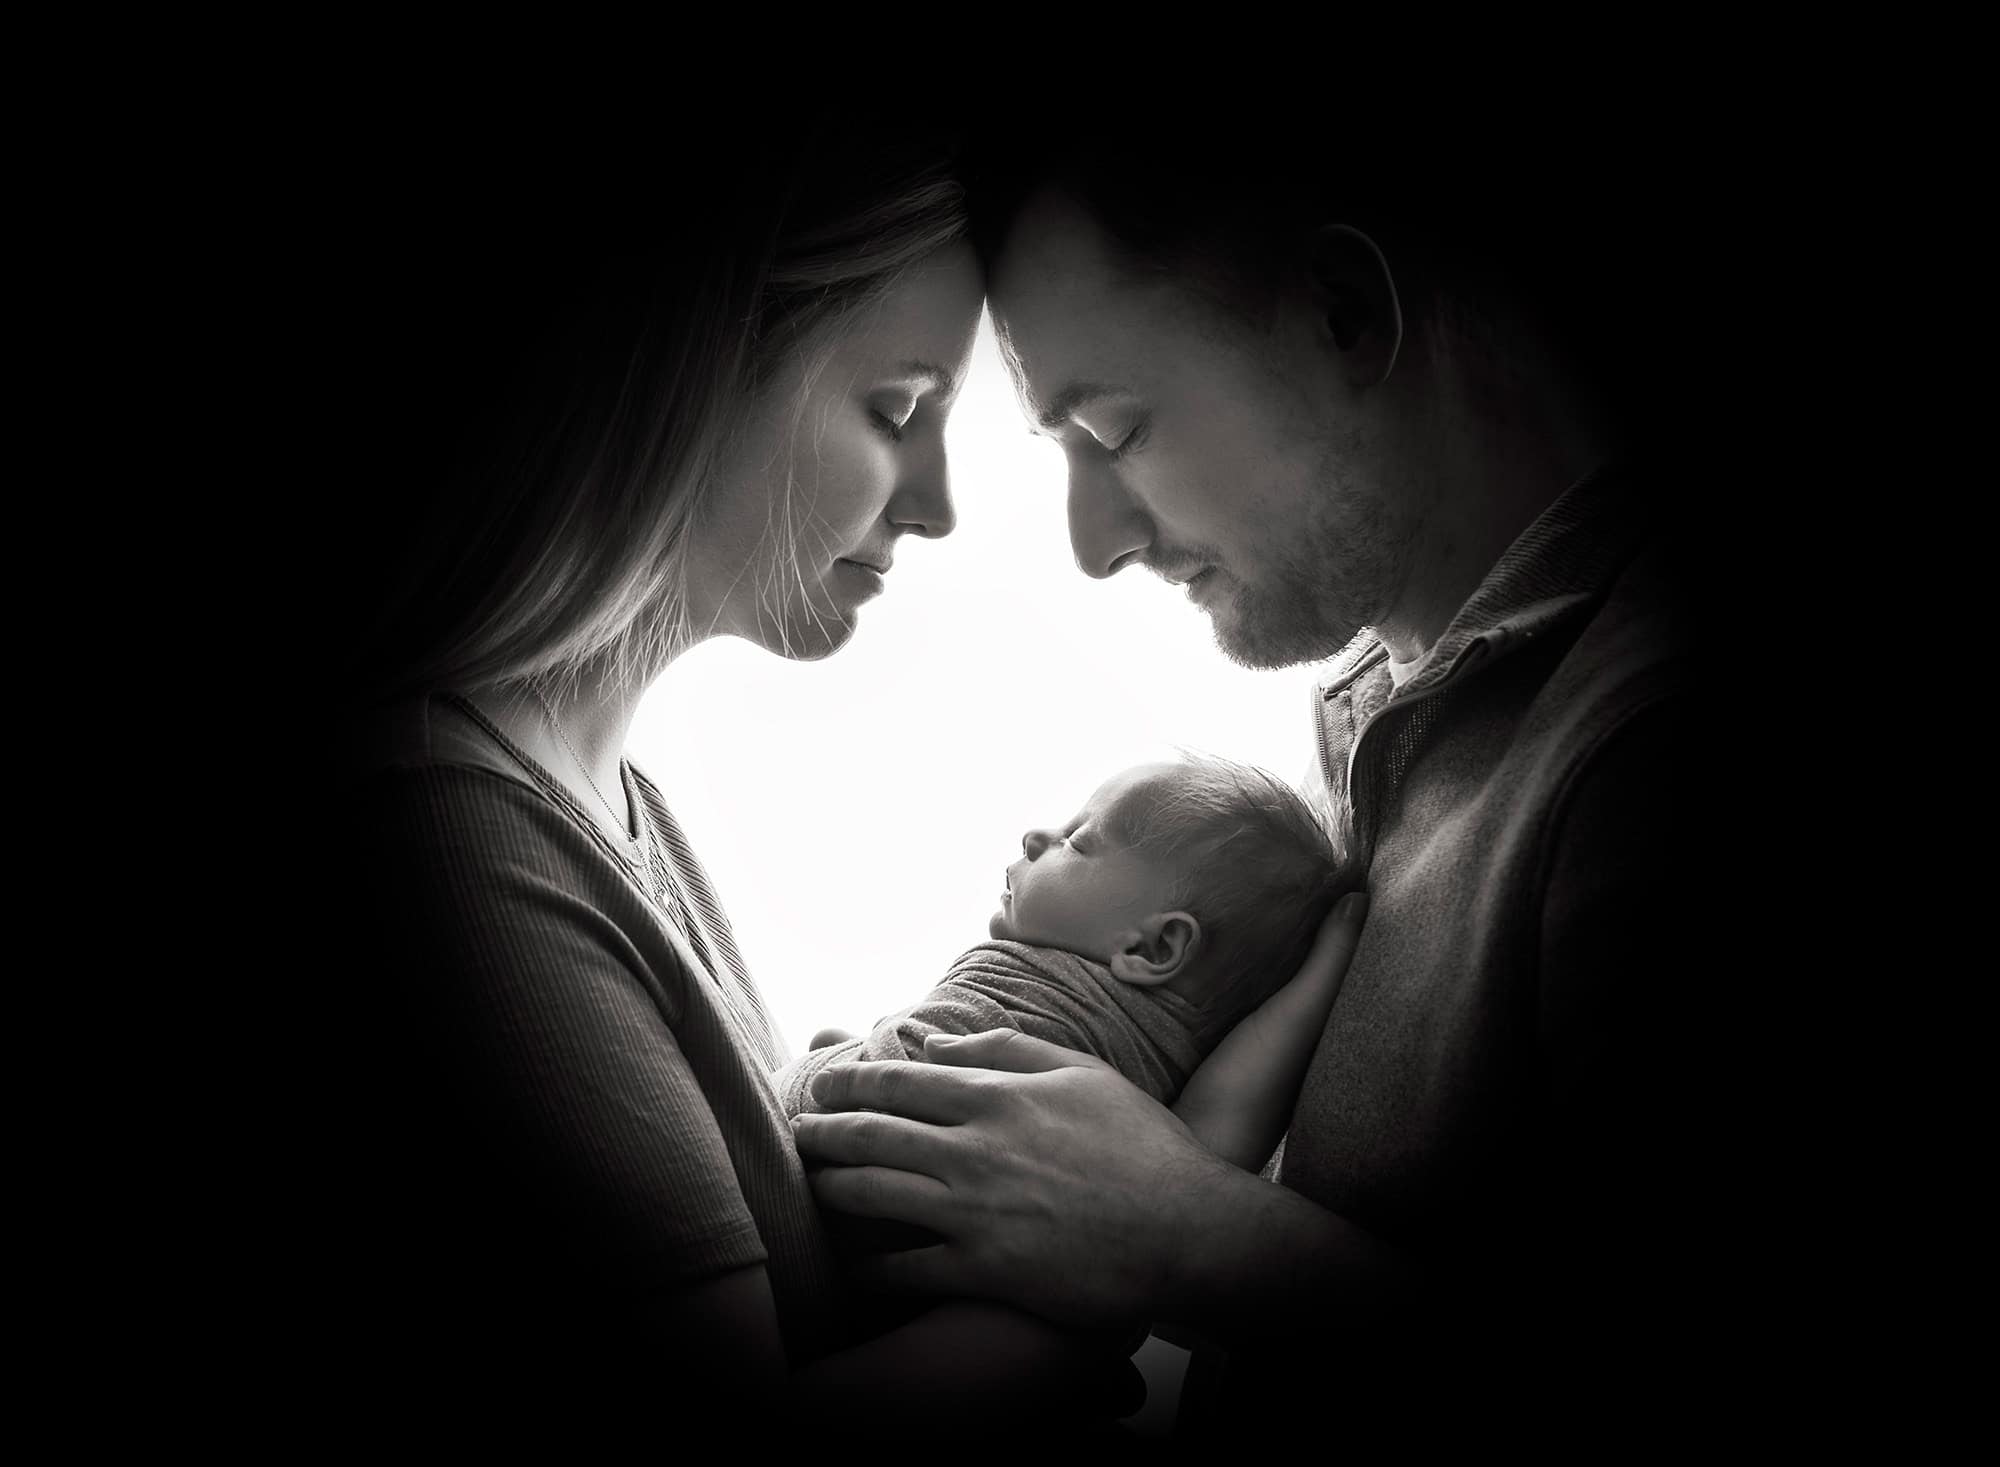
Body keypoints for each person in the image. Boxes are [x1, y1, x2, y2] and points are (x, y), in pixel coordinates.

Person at [790, 121, 1705, 1430]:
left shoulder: (1648, 749)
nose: (1093, 542)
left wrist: (1189, 1231)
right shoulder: (1381, 705)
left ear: (1344, 312)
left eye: (1113, 428)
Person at [307, 127, 1186, 1427]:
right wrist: (1140, 1258)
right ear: (691, 373)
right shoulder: (448, 833)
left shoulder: (605, 804)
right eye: (896, 409)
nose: (937, 504)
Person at [779, 754, 1355, 1176]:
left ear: (1154, 948)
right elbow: (1223, 1126)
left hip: (828, 1161)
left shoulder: (1066, 1006)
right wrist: (1320, 976)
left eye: (1077, 841)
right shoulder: (1168, 1084)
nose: (1036, 836)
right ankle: (851, 1051)